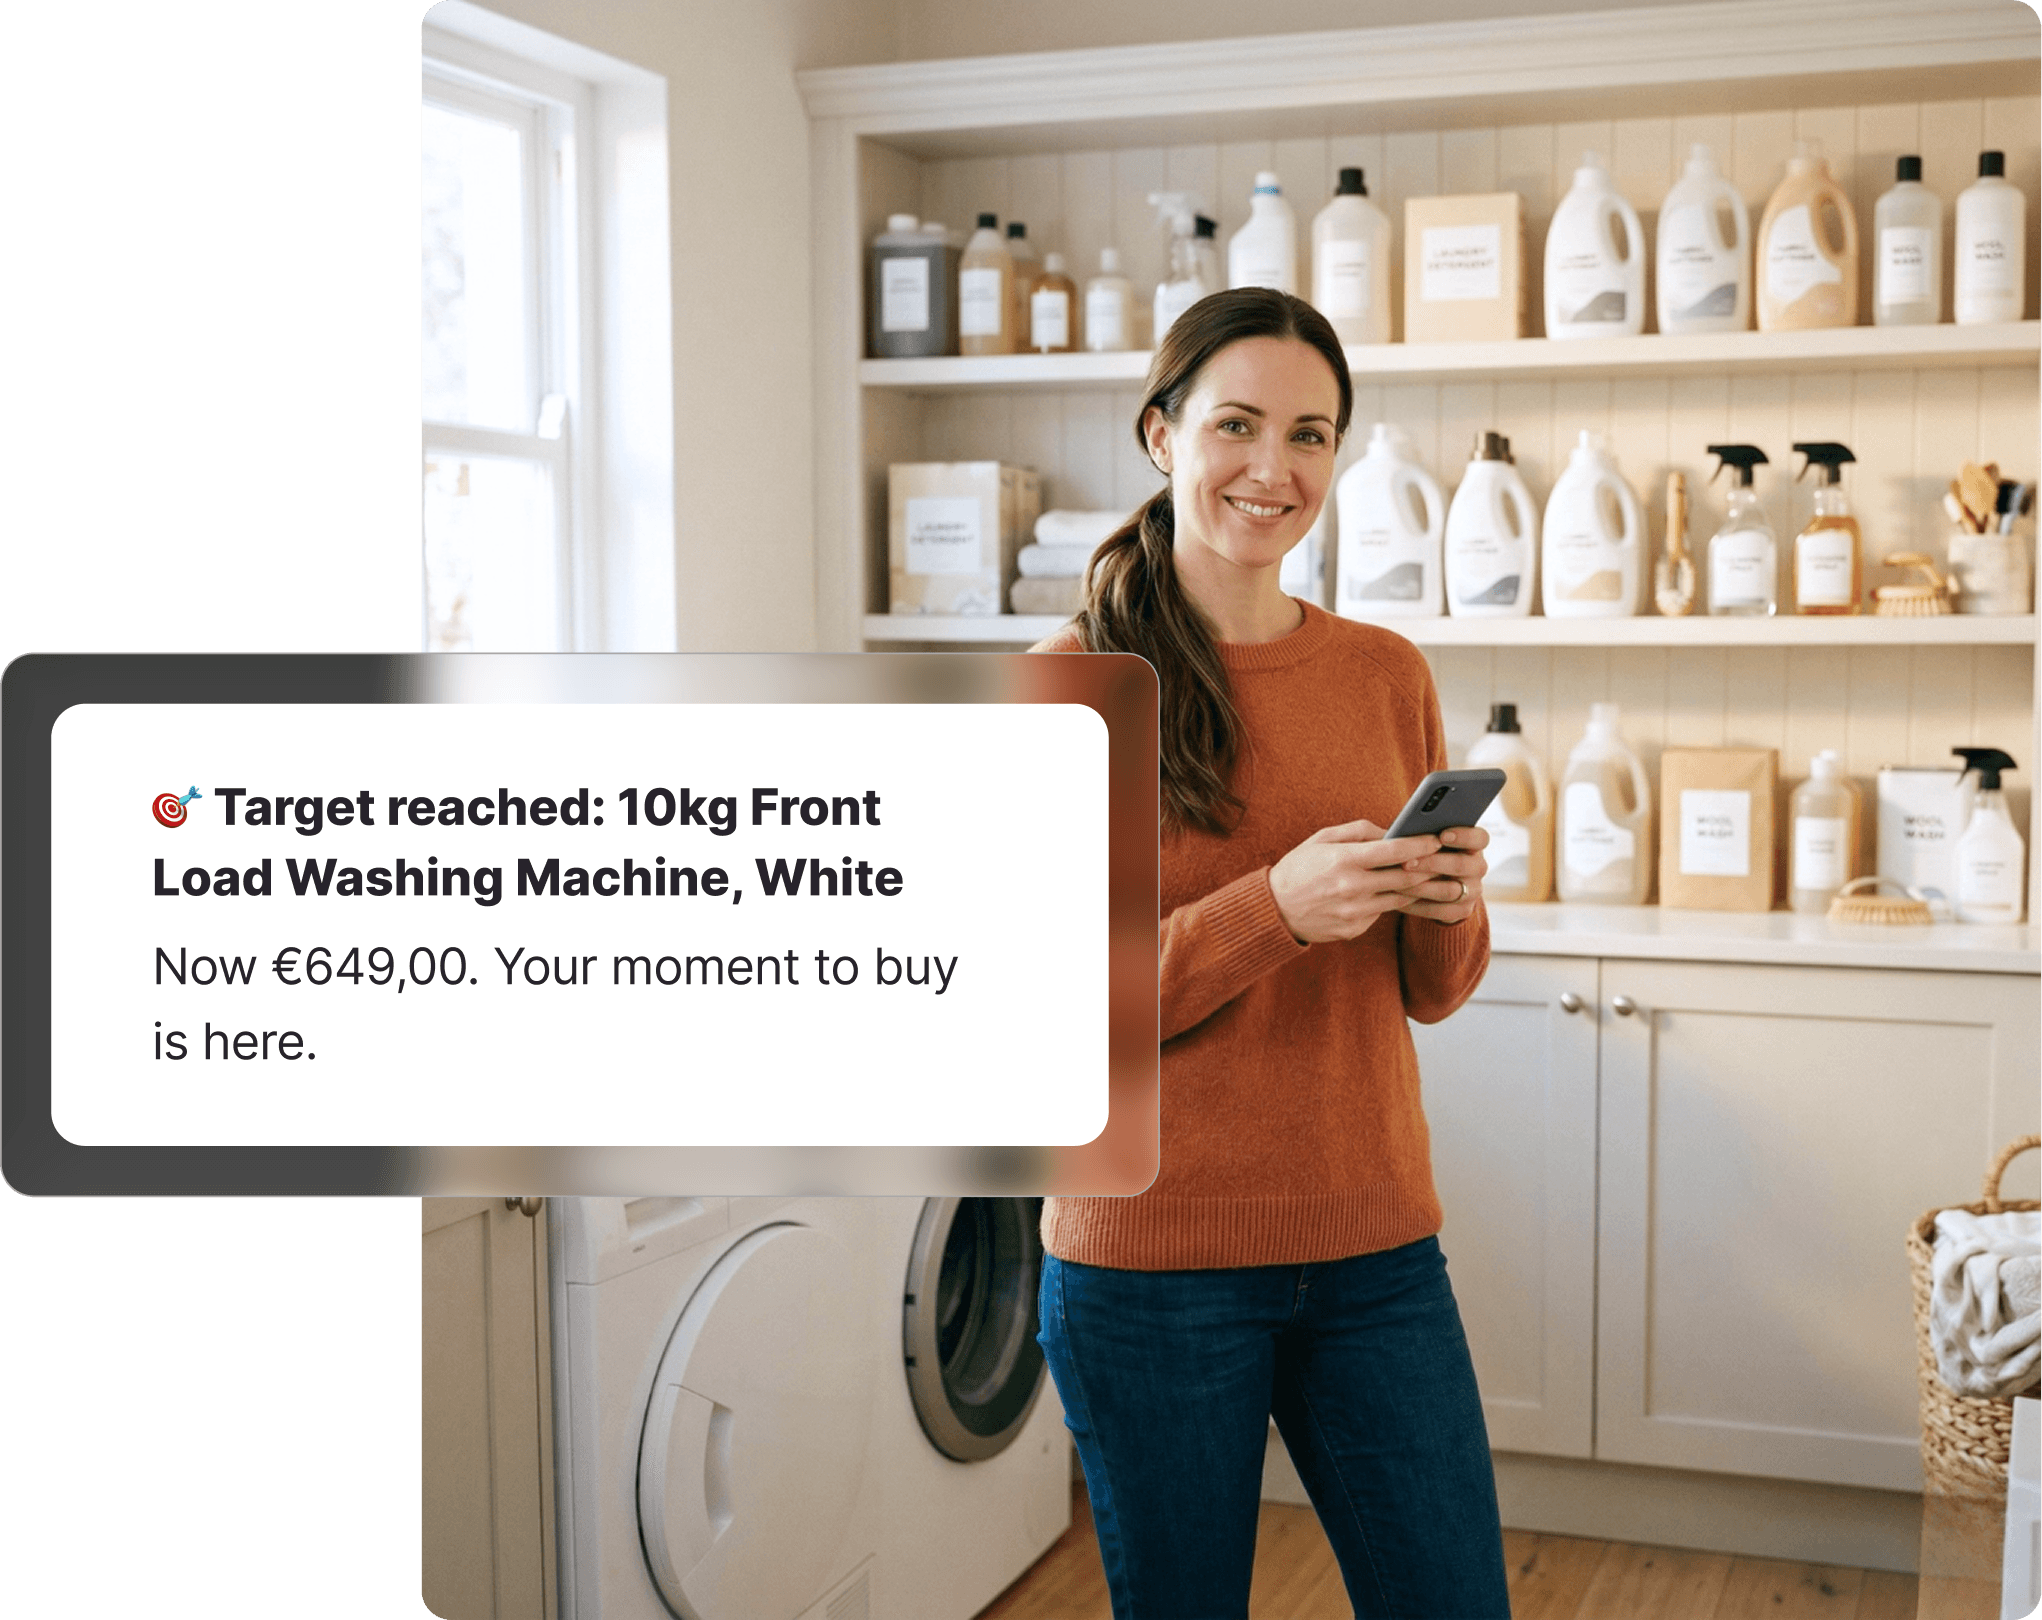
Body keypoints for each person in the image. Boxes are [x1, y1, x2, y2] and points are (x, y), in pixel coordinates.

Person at [1031, 286, 1510, 1619]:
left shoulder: (1385, 673)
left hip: (1373, 1244)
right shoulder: (1067, 685)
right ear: (1161, 435)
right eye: (1235, 424)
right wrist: (1276, 910)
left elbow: (1431, 996)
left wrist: (1446, 902)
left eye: (1310, 435)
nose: (1273, 467)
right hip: (1148, 1265)